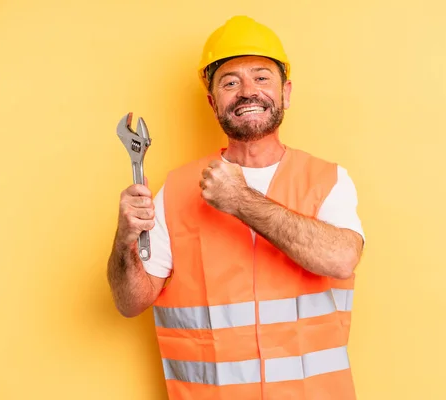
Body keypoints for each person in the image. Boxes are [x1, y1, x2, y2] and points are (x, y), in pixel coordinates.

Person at [107, 15, 365, 400]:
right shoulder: (176, 189)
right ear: (213, 103)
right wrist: (125, 240)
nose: (248, 91)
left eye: (262, 77)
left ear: (286, 93)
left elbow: (342, 258)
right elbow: (130, 303)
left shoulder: (327, 180)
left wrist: (240, 200)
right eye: (230, 82)